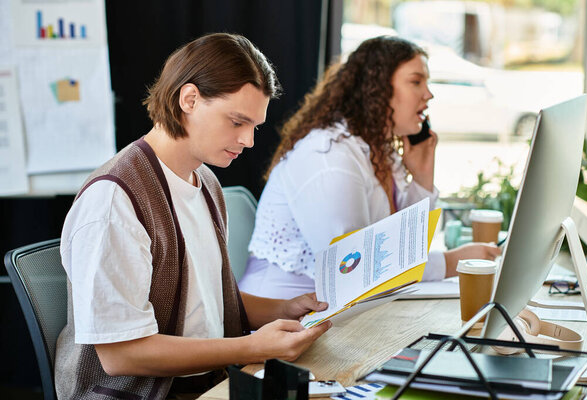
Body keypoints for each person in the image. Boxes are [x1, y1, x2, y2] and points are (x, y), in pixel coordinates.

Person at [55, 33, 331, 400]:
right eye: (236, 122)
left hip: (207, 383)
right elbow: (121, 354)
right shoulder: (114, 200)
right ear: (189, 99)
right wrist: (253, 348)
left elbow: (207, 305)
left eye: (255, 126)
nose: (248, 140)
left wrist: (284, 309)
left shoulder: (206, 181)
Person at [239, 36, 501, 299]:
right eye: (416, 81)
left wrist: (421, 177)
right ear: (377, 88)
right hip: (283, 321)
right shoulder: (330, 156)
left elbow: (408, 248)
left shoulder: (377, 149)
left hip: (348, 309)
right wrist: (449, 262)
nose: (428, 94)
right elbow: (352, 268)